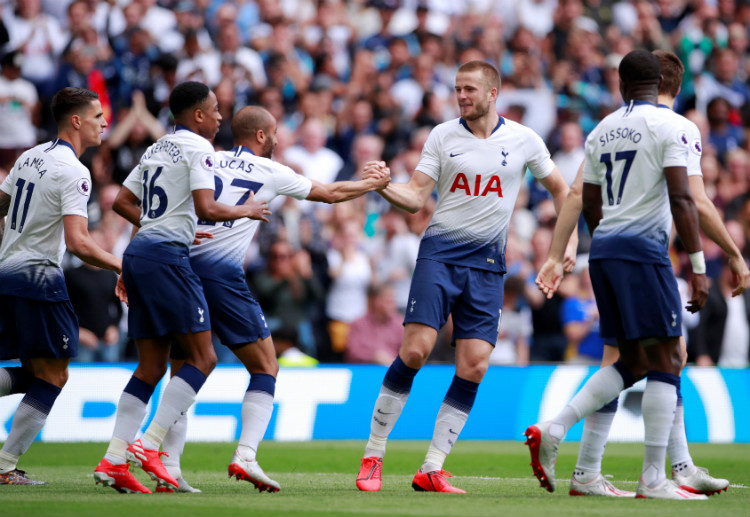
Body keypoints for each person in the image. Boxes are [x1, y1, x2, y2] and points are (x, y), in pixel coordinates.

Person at [123, 105, 389, 493]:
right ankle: (240, 453)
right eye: (276, 131)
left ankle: (169, 467)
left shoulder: (207, 159)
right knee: (266, 366)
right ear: (262, 135)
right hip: (221, 276)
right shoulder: (270, 171)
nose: (279, 138)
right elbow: (330, 193)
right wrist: (371, 185)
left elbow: (154, 211)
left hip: (177, 267)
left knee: (183, 369)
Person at [534, 49, 750, 498]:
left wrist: (600, 240)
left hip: (606, 250)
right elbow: (685, 200)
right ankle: (655, 476)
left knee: (632, 361)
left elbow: (585, 197)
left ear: (620, 84)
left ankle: (558, 430)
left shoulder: (601, 129)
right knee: (670, 357)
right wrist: (697, 265)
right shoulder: (675, 126)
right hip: (644, 251)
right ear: (663, 83)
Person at [355, 60, 575, 493]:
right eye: (458, 89)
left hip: (488, 266)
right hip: (439, 256)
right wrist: (382, 186)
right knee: (415, 352)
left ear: (493, 93)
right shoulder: (442, 135)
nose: (461, 96)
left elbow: (563, 191)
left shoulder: (524, 139)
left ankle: (432, 467)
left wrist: (564, 245)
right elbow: (417, 197)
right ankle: (373, 455)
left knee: (474, 365)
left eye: (469, 89)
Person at [93, 81, 271, 494]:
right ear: (197, 116)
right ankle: (149, 445)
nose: (220, 116)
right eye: (214, 110)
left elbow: (121, 201)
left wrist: (153, 226)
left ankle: (114, 459)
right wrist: (247, 209)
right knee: (203, 357)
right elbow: (207, 208)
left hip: (139, 257)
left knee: (152, 366)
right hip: (168, 260)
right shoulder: (199, 149)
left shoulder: (156, 147)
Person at [0, 87, 122, 485]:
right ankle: (4, 467)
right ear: (77, 121)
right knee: (54, 376)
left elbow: (0, 206)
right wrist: (124, 265)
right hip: (38, 279)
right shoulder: (74, 171)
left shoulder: (29, 155)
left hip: (7, 274)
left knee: (38, 371)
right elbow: (79, 243)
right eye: (98, 115)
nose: (104, 122)